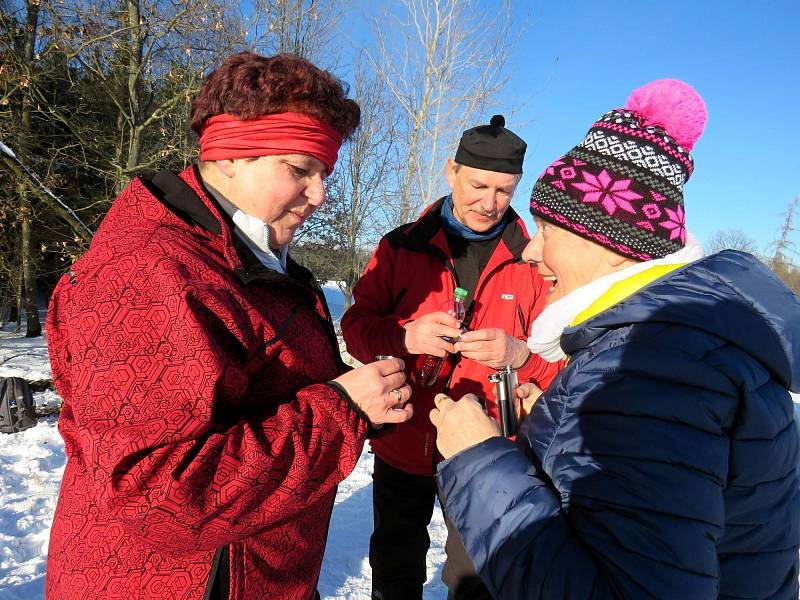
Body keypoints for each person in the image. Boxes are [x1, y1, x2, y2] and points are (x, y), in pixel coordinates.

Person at [44, 51, 413, 600]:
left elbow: (264, 387)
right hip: (174, 584)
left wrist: (365, 402)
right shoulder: (147, 274)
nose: (319, 195)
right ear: (231, 154)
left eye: (324, 173)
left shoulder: (242, 259)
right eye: (300, 169)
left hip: (256, 570)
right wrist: (342, 410)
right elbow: (160, 496)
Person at [430, 79, 800, 599]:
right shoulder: (685, 347)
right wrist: (561, 424)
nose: (531, 253)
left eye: (547, 230)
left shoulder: (651, 370)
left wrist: (479, 458)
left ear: (605, 242)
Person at [341, 116, 561, 599]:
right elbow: (355, 329)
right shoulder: (401, 246)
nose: (490, 202)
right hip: (402, 437)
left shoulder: (536, 260)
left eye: (504, 190)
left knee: (477, 577)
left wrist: (520, 353)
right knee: (395, 566)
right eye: (479, 185)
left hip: (488, 448)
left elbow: (562, 361)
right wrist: (406, 336)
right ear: (451, 171)